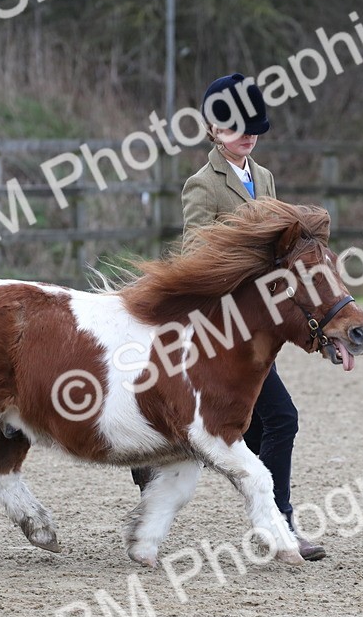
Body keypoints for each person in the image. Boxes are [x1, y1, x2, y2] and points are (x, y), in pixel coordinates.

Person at [131, 72, 326, 561]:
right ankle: (279, 522)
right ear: (213, 130)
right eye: (236, 127)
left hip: (257, 330)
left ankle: (277, 521)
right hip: (222, 327)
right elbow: (197, 254)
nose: (248, 135)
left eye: (253, 127)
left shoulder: (265, 179)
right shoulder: (202, 185)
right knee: (278, 419)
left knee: (267, 425)